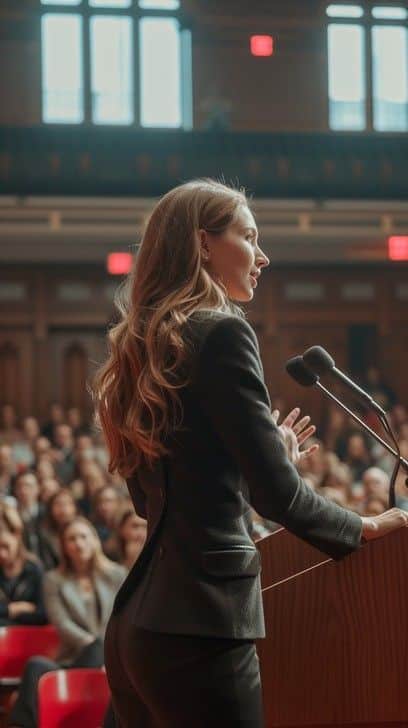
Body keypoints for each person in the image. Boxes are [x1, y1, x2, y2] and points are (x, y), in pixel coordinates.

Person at [93, 178, 408, 727]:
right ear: (203, 244)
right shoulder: (222, 333)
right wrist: (361, 527)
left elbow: (158, 507)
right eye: (249, 236)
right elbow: (275, 495)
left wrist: (262, 459)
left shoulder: (144, 345)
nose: (263, 256)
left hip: (138, 629)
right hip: (204, 627)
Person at [8, 516, 126, 728]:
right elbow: (62, 624)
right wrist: (93, 647)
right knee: (36, 664)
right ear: (64, 546)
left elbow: (122, 619)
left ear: (94, 540)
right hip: (74, 658)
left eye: (83, 536)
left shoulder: (117, 574)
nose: (78, 543)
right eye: (71, 538)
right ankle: (20, 725)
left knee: (101, 645)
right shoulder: (54, 580)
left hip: (112, 659)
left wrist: (104, 653)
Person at [0, 504, 46, 627]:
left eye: (5, 546)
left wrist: (4, 615)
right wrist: (14, 608)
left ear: (17, 537)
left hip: (27, 638)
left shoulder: (34, 568)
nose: (2, 554)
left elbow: (42, 614)